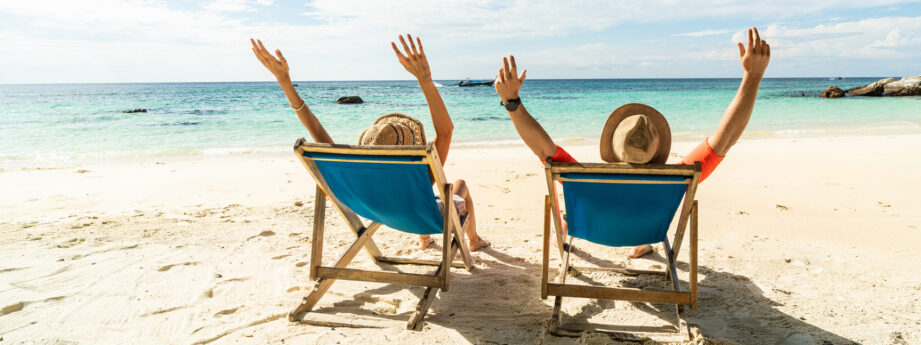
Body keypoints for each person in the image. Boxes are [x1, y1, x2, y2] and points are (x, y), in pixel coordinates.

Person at [493, 27, 771, 258]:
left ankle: (570, 226)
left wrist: (512, 103)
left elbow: (541, 147)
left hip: (594, 230)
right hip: (647, 226)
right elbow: (726, 138)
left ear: (614, 147)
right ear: (657, 148)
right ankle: (642, 243)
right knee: (644, 210)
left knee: (571, 206)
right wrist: (752, 77)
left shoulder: (581, 177)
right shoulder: (677, 179)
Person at [250, 34, 489, 251]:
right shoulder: (419, 173)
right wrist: (425, 80)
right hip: (421, 215)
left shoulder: (353, 168)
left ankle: (425, 239)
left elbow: (314, 128)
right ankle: (474, 240)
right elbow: (445, 131)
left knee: (421, 197)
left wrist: (285, 82)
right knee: (458, 185)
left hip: (377, 211)